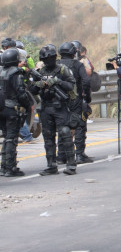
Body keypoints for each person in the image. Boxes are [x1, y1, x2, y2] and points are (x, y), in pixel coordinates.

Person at [30, 44, 77, 176]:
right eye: (46, 58)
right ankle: (51, 165)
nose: (48, 60)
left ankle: (71, 164)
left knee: (65, 133)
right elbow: (32, 90)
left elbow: (70, 85)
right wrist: (39, 84)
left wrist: (57, 81)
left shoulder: (63, 69)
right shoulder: (40, 72)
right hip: (46, 108)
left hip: (60, 107)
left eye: (51, 58)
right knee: (48, 137)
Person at [58, 42, 93, 164]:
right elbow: (86, 81)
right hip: (75, 99)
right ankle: (79, 154)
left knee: (62, 126)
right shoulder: (77, 64)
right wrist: (86, 96)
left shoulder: (56, 65)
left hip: (59, 100)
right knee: (79, 125)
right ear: (73, 53)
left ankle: (61, 155)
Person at [0, 48, 30, 176]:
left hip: (1, 109)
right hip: (12, 109)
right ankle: (10, 168)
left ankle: (3, 166)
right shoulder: (16, 74)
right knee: (11, 138)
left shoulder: (1, 72)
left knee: (7, 137)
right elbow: (21, 93)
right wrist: (27, 105)